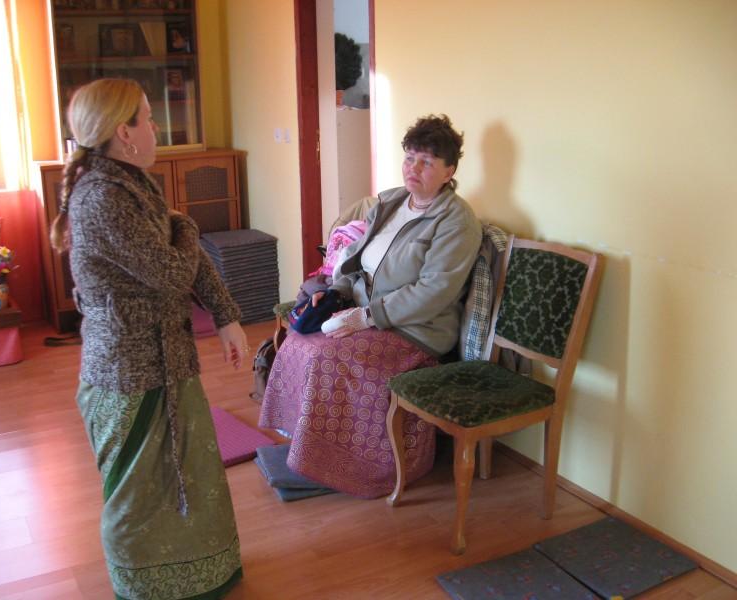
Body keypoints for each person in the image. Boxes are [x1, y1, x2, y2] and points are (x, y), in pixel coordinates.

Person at [49, 78, 248, 600]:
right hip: (129, 373)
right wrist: (188, 226)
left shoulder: (132, 183)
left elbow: (186, 259)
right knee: (140, 494)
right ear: (124, 132)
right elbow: (173, 270)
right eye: (149, 117)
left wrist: (226, 316)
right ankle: (146, 586)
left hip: (166, 361)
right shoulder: (102, 198)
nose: (157, 127)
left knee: (188, 476)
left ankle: (197, 576)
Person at [259, 114, 482, 498]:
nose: (414, 168)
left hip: (414, 330)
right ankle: (304, 447)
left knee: (329, 356)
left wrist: (367, 316)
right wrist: (335, 292)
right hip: (363, 311)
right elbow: (357, 259)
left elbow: (435, 291)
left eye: (427, 162)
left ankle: (356, 465)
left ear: (450, 171)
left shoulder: (455, 221)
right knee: (301, 338)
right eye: (410, 158)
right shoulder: (391, 202)